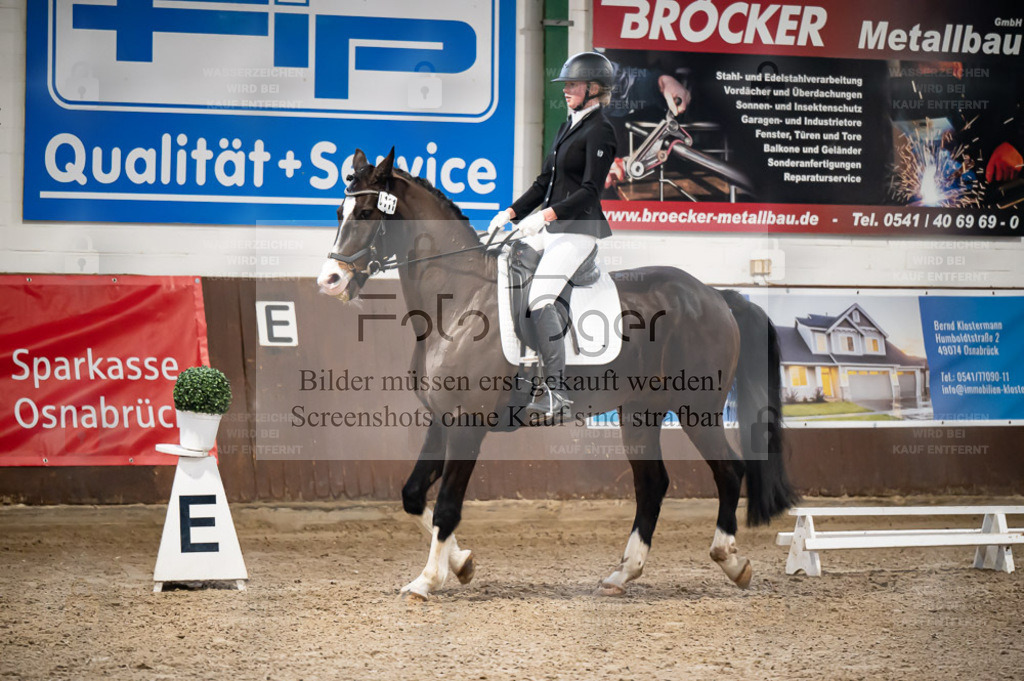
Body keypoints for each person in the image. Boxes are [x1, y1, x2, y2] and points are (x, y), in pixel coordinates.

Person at [488, 51, 618, 419]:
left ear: (594, 89)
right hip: (553, 226)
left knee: (541, 298)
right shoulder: (567, 126)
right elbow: (544, 182)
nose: (566, 90)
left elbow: (591, 190)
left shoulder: (601, 130)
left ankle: (557, 392)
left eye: (573, 85)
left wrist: (545, 215)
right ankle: (523, 360)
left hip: (579, 230)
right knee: (505, 258)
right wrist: (511, 214)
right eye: (566, 85)